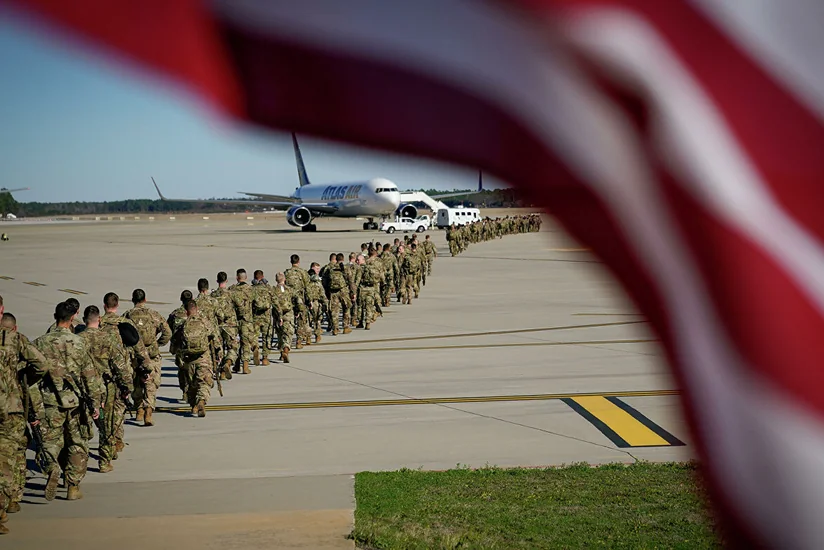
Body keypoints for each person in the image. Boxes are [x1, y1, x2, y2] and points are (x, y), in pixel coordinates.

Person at [34, 302, 104, 502]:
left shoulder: (40, 343)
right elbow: (90, 377)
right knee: (77, 443)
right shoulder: (79, 343)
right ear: (73, 317)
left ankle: (52, 468)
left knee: (50, 442)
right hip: (75, 402)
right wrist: (95, 404)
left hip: (49, 401)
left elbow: (30, 376)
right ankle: (73, 486)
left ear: (55, 316)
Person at [0, 312, 50, 533]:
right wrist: (23, 377)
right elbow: (41, 364)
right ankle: (8, 502)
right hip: (11, 408)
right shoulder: (15, 339)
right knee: (9, 456)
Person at [78, 305, 132, 472]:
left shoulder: (77, 340)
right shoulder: (107, 339)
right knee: (106, 425)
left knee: (81, 426)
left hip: (82, 388)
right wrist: (127, 385)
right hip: (104, 387)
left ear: (84, 320)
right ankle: (104, 461)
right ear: (99, 320)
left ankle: (77, 462)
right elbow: (120, 365)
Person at [123, 289, 171, 426]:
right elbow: (167, 332)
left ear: (133, 300)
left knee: (136, 381)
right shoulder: (153, 315)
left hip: (134, 354)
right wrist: (158, 343)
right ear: (145, 299)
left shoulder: (127, 315)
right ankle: (148, 410)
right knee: (151, 382)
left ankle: (139, 409)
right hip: (151, 354)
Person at [170, 300, 219, 417]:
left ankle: (193, 406)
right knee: (204, 383)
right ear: (197, 310)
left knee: (191, 385)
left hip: (188, 360)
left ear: (187, 312)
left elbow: (174, 343)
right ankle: (201, 400)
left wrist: (175, 353)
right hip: (203, 358)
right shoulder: (205, 323)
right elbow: (216, 340)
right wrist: (218, 354)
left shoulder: (183, 325)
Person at [210, 272, 238, 379]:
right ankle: (228, 362)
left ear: (217, 281)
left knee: (219, 349)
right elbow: (239, 305)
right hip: (230, 325)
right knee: (233, 347)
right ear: (226, 281)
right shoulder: (231, 294)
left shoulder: (212, 295)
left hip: (217, 325)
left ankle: (221, 370)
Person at [167, 290, 193, 400]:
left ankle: (185, 390)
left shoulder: (175, 314)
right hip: (193, 346)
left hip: (179, 347)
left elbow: (167, 329)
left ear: (181, 299)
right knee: (192, 369)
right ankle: (192, 390)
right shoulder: (196, 313)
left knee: (182, 369)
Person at [229, 269, 254, 374]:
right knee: (246, 343)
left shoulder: (232, 289)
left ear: (237, 278)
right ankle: (245, 366)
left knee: (235, 343)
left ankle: (236, 364)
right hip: (246, 320)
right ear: (246, 277)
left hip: (234, 320)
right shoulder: (250, 289)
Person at [284, 254, 312, 348]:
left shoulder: (286, 273)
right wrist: (309, 300)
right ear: (298, 261)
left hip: (289, 299)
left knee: (289, 320)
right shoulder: (302, 272)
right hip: (300, 299)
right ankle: (299, 341)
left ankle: (287, 340)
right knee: (301, 319)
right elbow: (307, 287)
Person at [250, 270, 273, 366]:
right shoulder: (268, 288)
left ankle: (255, 347)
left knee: (255, 335)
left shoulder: (251, 289)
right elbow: (274, 300)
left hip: (255, 316)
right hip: (266, 316)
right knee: (266, 337)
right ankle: (265, 358)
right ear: (263, 276)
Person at [271, 273, 294, 362]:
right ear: (284, 279)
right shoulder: (289, 289)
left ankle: (281, 354)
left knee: (280, 334)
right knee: (288, 334)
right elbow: (297, 299)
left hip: (277, 315)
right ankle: (285, 350)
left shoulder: (273, 290)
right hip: (288, 314)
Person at [305, 262, 328, 343]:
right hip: (316, 303)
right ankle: (317, 335)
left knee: (307, 321)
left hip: (307, 303)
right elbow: (322, 294)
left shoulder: (306, 283)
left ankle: (308, 337)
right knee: (317, 320)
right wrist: (325, 304)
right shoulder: (318, 283)